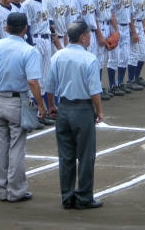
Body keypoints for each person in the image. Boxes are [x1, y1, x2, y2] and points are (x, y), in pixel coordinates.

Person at [0, 12, 46, 203]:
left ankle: (1, 190)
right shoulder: (29, 50)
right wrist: (40, 105)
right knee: (17, 147)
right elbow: (33, 82)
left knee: (1, 146)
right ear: (25, 30)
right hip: (18, 102)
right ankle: (15, 191)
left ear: (6, 28)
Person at [45, 19, 104, 210]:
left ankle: (67, 197)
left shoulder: (58, 56)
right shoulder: (89, 58)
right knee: (86, 155)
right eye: (87, 35)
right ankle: (85, 196)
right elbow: (94, 90)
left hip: (64, 109)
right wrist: (99, 111)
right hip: (82, 109)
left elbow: (50, 86)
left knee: (66, 156)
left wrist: (52, 106)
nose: (89, 38)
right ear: (82, 37)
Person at [74, 0, 111, 100]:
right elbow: (78, 19)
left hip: (93, 33)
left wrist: (98, 34)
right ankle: (88, 89)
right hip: (84, 35)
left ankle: (97, 88)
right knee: (87, 62)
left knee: (97, 62)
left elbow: (93, 16)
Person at [108, 0, 143, 93]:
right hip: (114, 28)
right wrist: (115, 29)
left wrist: (133, 31)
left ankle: (120, 83)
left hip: (126, 27)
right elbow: (109, 11)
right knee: (114, 58)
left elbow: (131, 14)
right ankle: (112, 85)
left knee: (124, 57)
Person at [91, 0, 122, 96]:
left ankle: (100, 88)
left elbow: (111, 12)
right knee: (96, 61)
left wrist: (116, 30)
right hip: (97, 29)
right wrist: (100, 35)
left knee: (102, 60)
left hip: (107, 26)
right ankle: (96, 89)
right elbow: (93, 16)